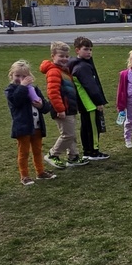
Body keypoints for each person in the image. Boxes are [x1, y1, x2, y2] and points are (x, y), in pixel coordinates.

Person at [5, 59, 57, 185]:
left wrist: (41, 106)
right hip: (23, 127)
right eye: (18, 76)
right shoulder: (11, 90)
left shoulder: (34, 89)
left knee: (38, 150)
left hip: (37, 125)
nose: (21, 79)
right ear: (11, 75)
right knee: (24, 152)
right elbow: (16, 101)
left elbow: (45, 107)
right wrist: (22, 86)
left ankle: (40, 172)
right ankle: (24, 176)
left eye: (24, 76)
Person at [39, 41, 89, 169]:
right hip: (62, 109)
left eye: (66, 56)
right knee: (68, 135)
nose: (64, 59)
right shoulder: (54, 72)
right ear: (53, 56)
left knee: (71, 133)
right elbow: (53, 93)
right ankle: (52, 154)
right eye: (61, 56)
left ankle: (73, 156)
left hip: (69, 108)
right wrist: (60, 109)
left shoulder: (63, 70)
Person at [68, 36, 109, 160]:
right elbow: (91, 86)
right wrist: (98, 102)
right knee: (93, 128)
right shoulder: (82, 67)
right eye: (86, 49)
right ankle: (93, 151)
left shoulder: (80, 64)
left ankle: (87, 151)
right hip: (89, 104)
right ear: (77, 50)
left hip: (84, 104)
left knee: (86, 127)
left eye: (90, 49)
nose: (89, 52)